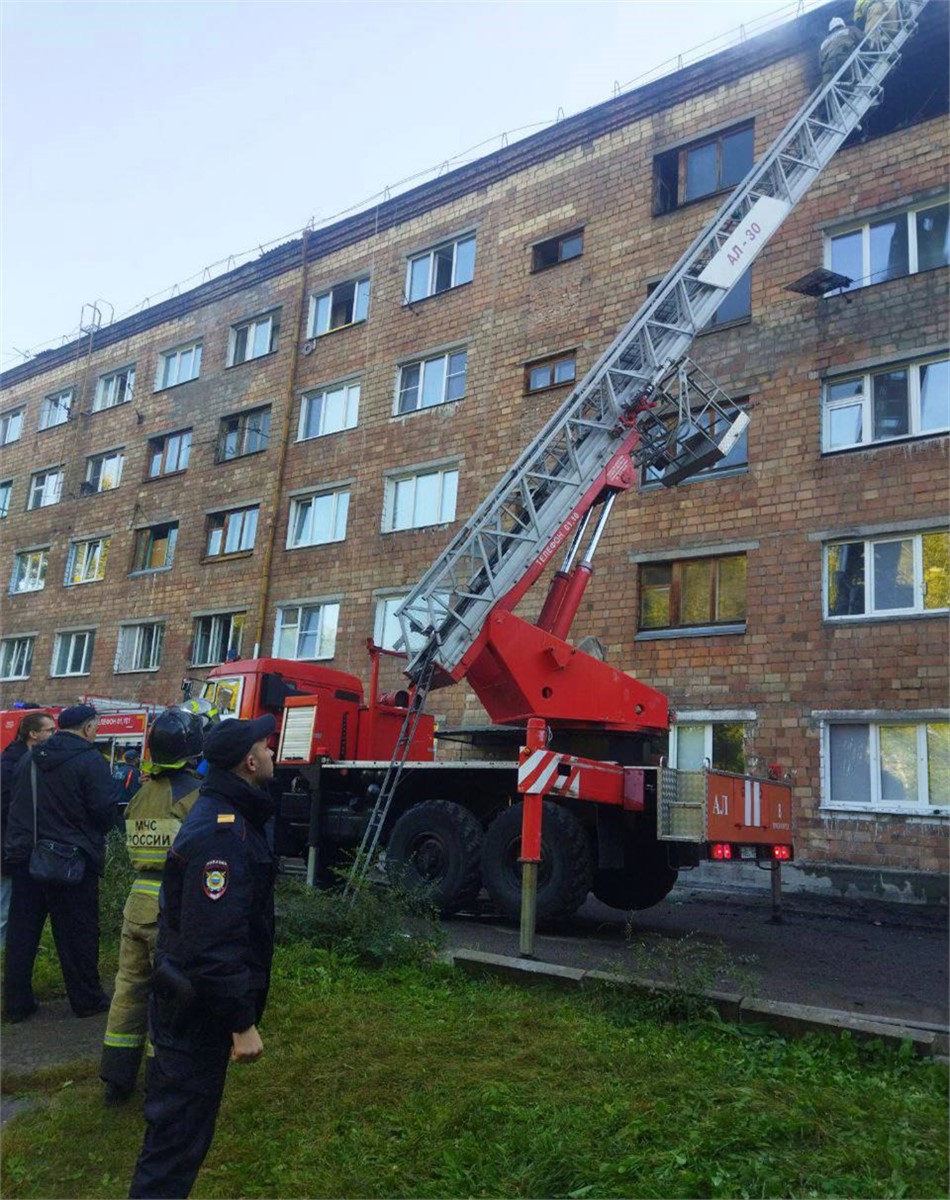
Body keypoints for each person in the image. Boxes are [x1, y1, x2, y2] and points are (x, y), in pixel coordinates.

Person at [129, 714, 277, 1199]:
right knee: (174, 1146)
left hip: (192, 1007)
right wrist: (242, 1022)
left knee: (181, 1137)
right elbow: (214, 942)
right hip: (196, 1015)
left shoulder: (226, 816)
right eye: (267, 747)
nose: (274, 753)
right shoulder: (221, 833)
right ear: (249, 762)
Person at [99, 709, 205, 1107]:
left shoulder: (142, 792)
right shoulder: (194, 794)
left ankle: (115, 1077)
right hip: (171, 908)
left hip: (136, 905)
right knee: (168, 1000)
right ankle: (161, 1080)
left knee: (128, 990)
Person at [3, 705, 117, 1021]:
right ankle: (86, 999)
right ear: (88, 727)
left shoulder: (29, 759)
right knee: (78, 934)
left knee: (22, 935)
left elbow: (17, 806)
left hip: (29, 859)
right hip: (73, 862)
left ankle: (16, 1004)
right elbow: (104, 812)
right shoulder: (89, 760)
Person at [0, 710, 57, 948]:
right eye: (50, 730)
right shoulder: (14, 763)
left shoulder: (24, 759)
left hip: (15, 845)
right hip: (9, 845)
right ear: (33, 734)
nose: (55, 734)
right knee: (4, 904)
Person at [820, 17, 862, 84]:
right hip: (844, 60)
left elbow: (821, 63)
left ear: (831, 29)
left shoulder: (824, 43)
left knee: (832, 91)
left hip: (828, 69)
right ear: (842, 25)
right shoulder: (850, 29)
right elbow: (864, 42)